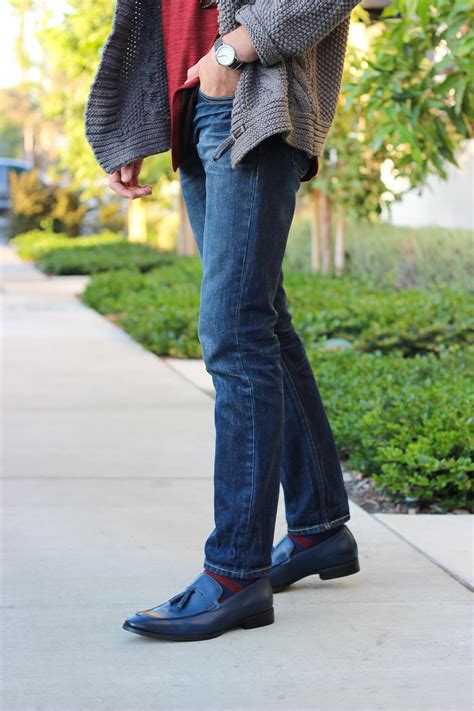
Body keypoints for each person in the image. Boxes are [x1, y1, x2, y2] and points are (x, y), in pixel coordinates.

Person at [85, 0, 361, 643]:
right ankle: (319, 526)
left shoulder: (239, 62)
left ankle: (236, 574)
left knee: (235, 334)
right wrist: (139, 122)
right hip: (197, 98)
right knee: (262, 323)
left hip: (249, 93)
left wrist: (234, 51)